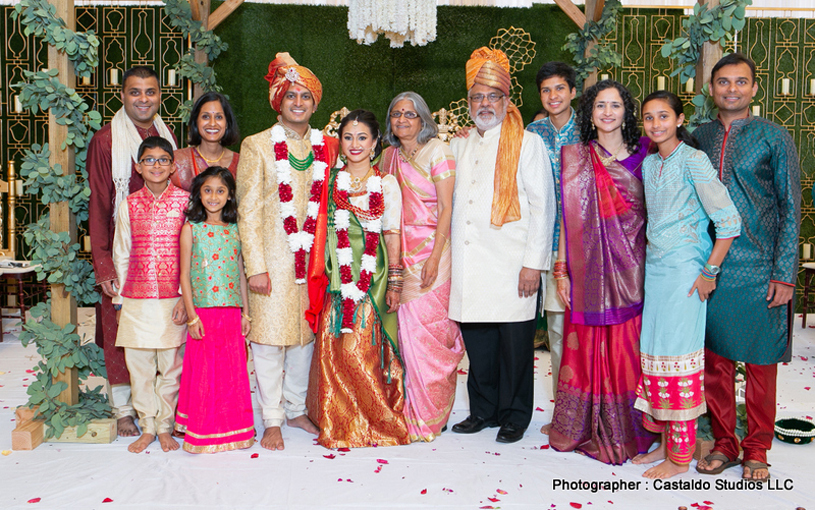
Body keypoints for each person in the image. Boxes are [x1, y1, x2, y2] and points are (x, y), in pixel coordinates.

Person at [694, 53, 801, 481]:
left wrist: (784, 272)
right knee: (714, 365)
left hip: (760, 269)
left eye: (741, 82)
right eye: (723, 82)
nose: (731, 89)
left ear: (754, 89)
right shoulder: (697, 137)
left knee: (759, 366)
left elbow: (791, 207)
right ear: (712, 88)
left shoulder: (775, 138)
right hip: (711, 266)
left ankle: (757, 449)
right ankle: (725, 444)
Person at [448, 47, 555, 444]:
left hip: (512, 267)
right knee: (479, 348)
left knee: (513, 350)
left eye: (493, 95)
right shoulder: (458, 145)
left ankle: (514, 416)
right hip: (471, 266)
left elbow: (544, 208)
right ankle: (483, 411)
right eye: (477, 96)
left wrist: (534, 264)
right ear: (469, 102)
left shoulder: (528, 143)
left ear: (507, 100)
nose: (485, 103)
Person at [633, 91, 741, 479]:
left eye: (664, 116)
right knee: (657, 355)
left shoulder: (694, 161)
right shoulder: (649, 165)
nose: (656, 123)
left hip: (685, 275)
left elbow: (729, 222)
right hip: (656, 274)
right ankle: (665, 446)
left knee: (678, 360)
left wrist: (708, 273)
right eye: (649, 117)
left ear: (680, 120)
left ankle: (680, 458)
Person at [548, 80, 657, 464]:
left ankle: (628, 428)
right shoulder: (576, 156)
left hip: (634, 268)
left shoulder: (647, 154)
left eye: (615, 105)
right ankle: (584, 424)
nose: (607, 112)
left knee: (628, 348)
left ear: (627, 112)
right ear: (590, 114)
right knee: (589, 346)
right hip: (587, 269)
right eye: (600, 106)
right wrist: (561, 271)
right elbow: (568, 216)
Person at [236, 52, 339, 451]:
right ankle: (272, 418)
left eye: (306, 97)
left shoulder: (326, 146)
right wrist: (256, 267)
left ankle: (295, 408)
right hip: (273, 262)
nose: (299, 102)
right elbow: (247, 211)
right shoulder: (257, 145)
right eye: (291, 95)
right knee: (267, 341)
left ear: (315, 103)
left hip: (316, 261)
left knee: (304, 338)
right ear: (278, 100)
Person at [305, 110, 411, 448]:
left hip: (373, 276)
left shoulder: (386, 183)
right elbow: (318, 228)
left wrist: (394, 280)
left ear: (376, 142)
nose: (354, 144)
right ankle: (338, 420)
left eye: (362, 137)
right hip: (337, 276)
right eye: (348, 137)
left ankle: (378, 419)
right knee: (335, 350)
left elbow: (392, 233)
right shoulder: (330, 180)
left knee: (359, 351)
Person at [88, 66, 179, 437]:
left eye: (151, 92)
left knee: (165, 335)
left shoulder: (165, 138)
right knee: (120, 332)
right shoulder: (107, 140)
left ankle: (164, 409)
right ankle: (125, 408)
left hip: (163, 255)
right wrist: (105, 263)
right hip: (123, 251)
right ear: (122, 96)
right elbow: (98, 203)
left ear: (160, 96)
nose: (143, 99)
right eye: (135, 92)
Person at [380, 92, 465, 442]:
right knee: (404, 335)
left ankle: (431, 415)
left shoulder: (438, 151)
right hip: (398, 252)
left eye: (410, 114)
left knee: (429, 333)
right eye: (396, 113)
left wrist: (434, 256)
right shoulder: (388, 157)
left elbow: (447, 208)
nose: (402, 119)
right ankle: (409, 409)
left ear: (423, 119)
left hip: (434, 251)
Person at [112, 137, 188, 453]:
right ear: (138, 166)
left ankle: (166, 427)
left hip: (173, 299)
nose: (156, 165)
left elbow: (192, 255)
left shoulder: (186, 202)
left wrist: (186, 297)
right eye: (149, 160)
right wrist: (119, 299)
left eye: (162, 160)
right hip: (135, 299)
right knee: (140, 367)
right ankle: (147, 425)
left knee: (170, 367)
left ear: (172, 166)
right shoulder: (128, 204)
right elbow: (122, 252)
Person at [175, 166, 255, 454]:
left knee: (232, 371)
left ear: (230, 195)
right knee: (206, 371)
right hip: (204, 313)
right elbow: (184, 275)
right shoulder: (191, 229)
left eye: (220, 191)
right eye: (207, 190)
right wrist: (192, 315)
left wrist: (246, 313)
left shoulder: (235, 229)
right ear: (198, 193)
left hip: (231, 311)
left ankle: (234, 429)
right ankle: (203, 429)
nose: (213, 196)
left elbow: (240, 271)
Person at [525, 62, 580, 435]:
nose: (553, 96)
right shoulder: (533, 131)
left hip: (581, 245)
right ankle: (565, 408)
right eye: (546, 91)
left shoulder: (590, 129)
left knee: (577, 330)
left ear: (572, 92)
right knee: (549, 325)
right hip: (541, 240)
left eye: (559, 89)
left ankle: (583, 408)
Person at [172, 92, 240, 191]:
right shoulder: (177, 160)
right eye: (205, 117)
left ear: (227, 123)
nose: (212, 123)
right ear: (196, 121)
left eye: (218, 117)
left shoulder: (240, 163)